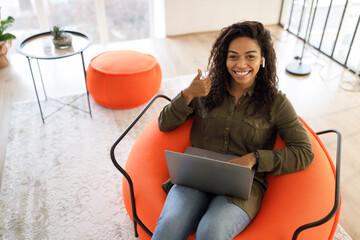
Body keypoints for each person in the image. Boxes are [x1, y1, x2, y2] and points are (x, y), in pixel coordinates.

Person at [152, 21, 314, 240]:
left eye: (250, 56)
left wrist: (255, 158)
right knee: (168, 227)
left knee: (211, 232)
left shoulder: (277, 102)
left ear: (262, 59)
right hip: (196, 176)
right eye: (233, 56)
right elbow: (164, 123)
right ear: (224, 58)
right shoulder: (205, 89)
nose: (241, 64)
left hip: (242, 188)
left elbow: (304, 152)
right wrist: (188, 93)